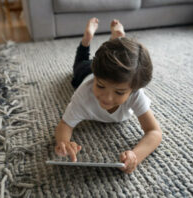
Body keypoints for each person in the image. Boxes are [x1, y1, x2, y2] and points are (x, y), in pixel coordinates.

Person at [54, 18, 162, 174]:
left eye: (119, 92)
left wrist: (135, 155)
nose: (107, 98)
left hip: (108, 71)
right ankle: (87, 40)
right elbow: (65, 125)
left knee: (125, 65)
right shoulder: (84, 93)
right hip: (87, 72)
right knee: (79, 66)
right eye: (101, 86)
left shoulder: (136, 93)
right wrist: (63, 142)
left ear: (133, 89)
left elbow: (154, 132)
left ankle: (118, 41)